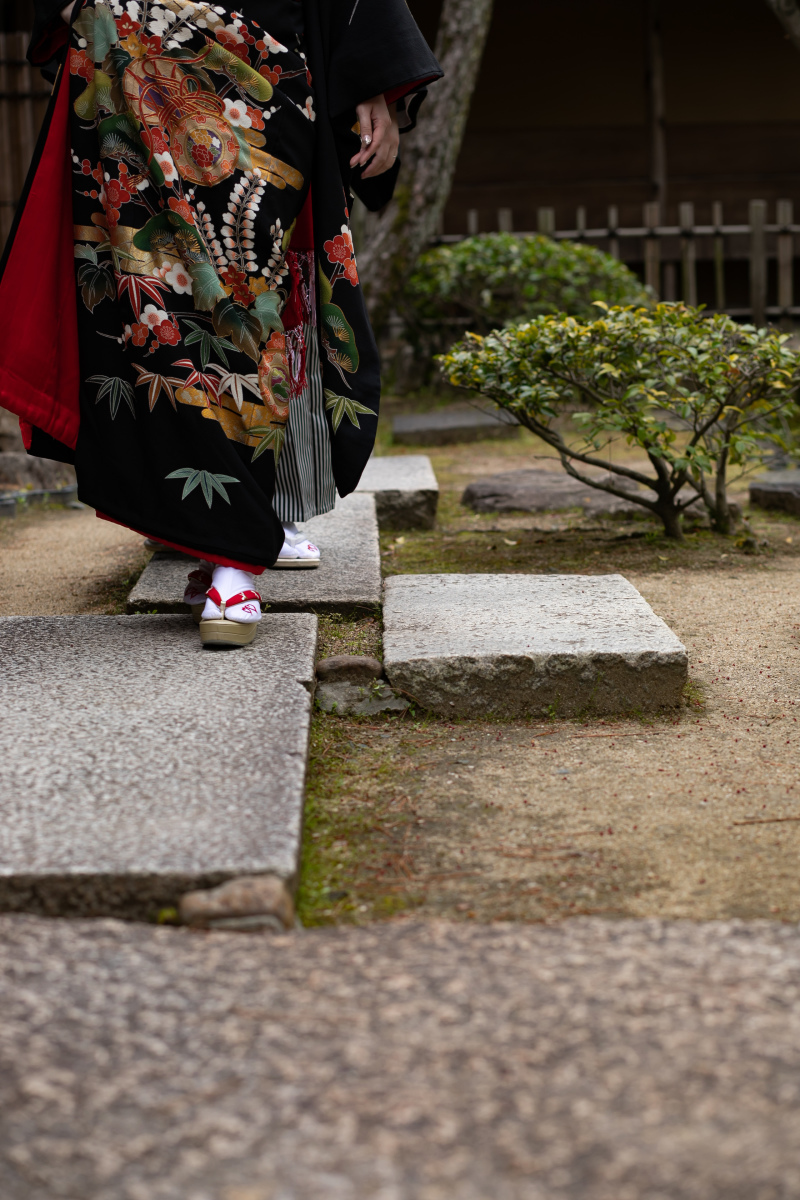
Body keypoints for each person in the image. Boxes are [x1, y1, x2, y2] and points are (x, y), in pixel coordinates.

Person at [0, 0, 441, 645]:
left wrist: (376, 83)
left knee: (247, 298)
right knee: (156, 307)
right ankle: (227, 554)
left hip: (262, 64)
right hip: (133, 47)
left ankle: (238, 525)